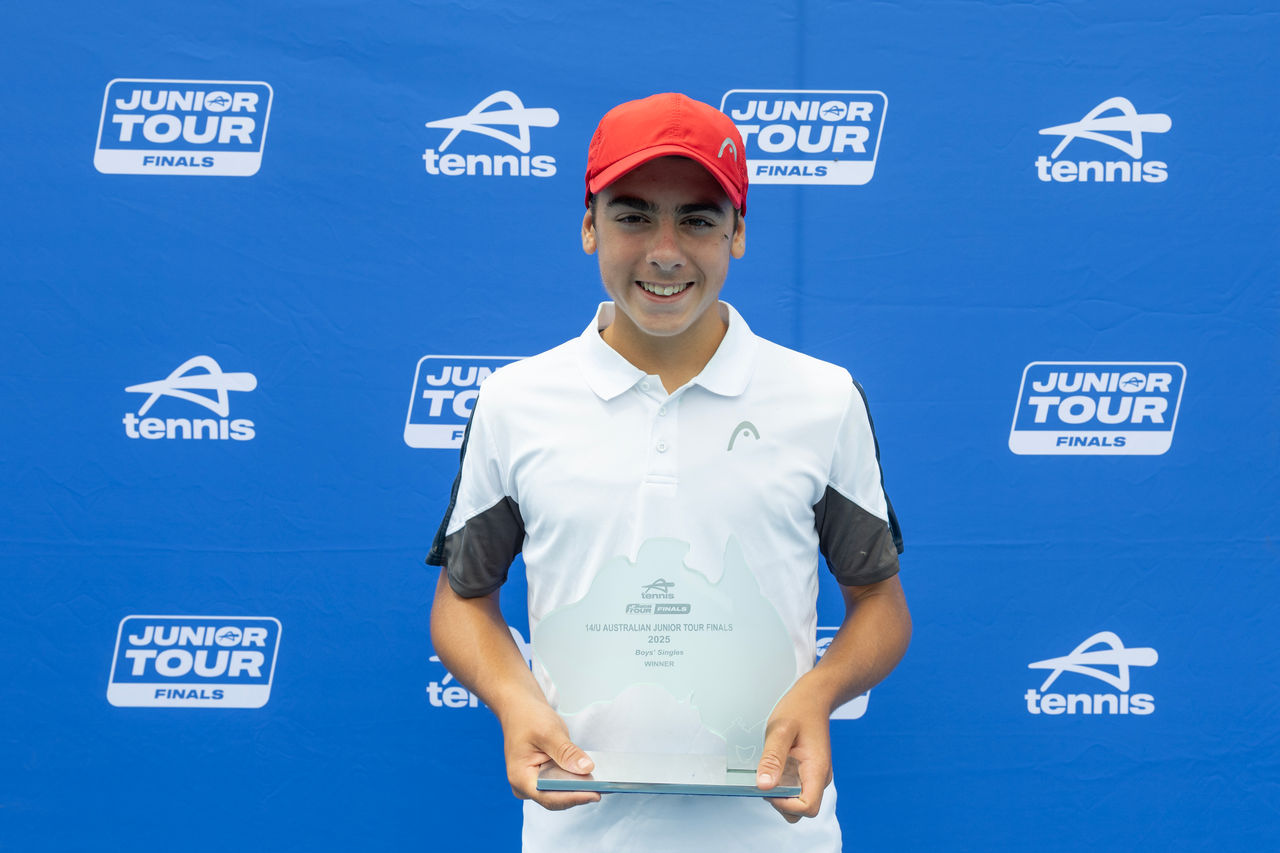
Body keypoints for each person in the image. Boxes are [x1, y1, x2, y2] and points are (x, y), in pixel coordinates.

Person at [427, 92, 911, 852]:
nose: (664, 250)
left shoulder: (823, 398)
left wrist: (821, 692)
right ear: (588, 225)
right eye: (632, 215)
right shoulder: (514, 401)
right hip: (577, 837)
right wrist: (513, 701)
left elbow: (880, 604)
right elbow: (462, 601)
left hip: (777, 835)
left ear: (738, 234)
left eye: (697, 218)